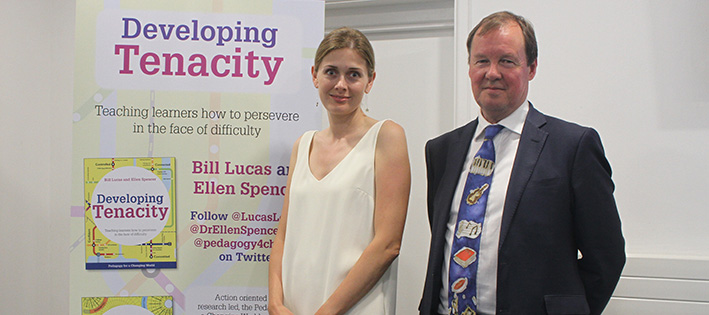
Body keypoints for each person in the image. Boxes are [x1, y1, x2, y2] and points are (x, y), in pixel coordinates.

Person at [419, 11, 625, 315]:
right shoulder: (441, 150)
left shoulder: (572, 147)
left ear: (531, 68)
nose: (492, 73)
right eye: (481, 61)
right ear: (469, 68)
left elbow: (606, 257)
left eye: (507, 61)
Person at [269, 27, 411, 315]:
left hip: (354, 307)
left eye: (354, 74)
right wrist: (274, 303)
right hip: (296, 307)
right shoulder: (303, 144)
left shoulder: (387, 136)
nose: (341, 85)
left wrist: (326, 313)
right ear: (315, 75)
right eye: (331, 72)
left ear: (370, 80)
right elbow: (283, 234)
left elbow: (388, 244)